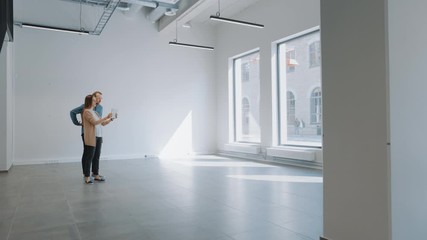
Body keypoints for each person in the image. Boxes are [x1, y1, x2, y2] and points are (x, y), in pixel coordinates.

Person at [81, 95, 112, 184]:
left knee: (96, 157)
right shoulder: (86, 112)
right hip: (92, 137)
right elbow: (94, 122)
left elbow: (102, 123)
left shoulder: (95, 112)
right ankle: (87, 176)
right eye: (94, 100)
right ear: (89, 102)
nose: (96, 102)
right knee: (89, 157)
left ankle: (95, 174)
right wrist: (106, 117)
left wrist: (110, 119)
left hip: (98, 137)